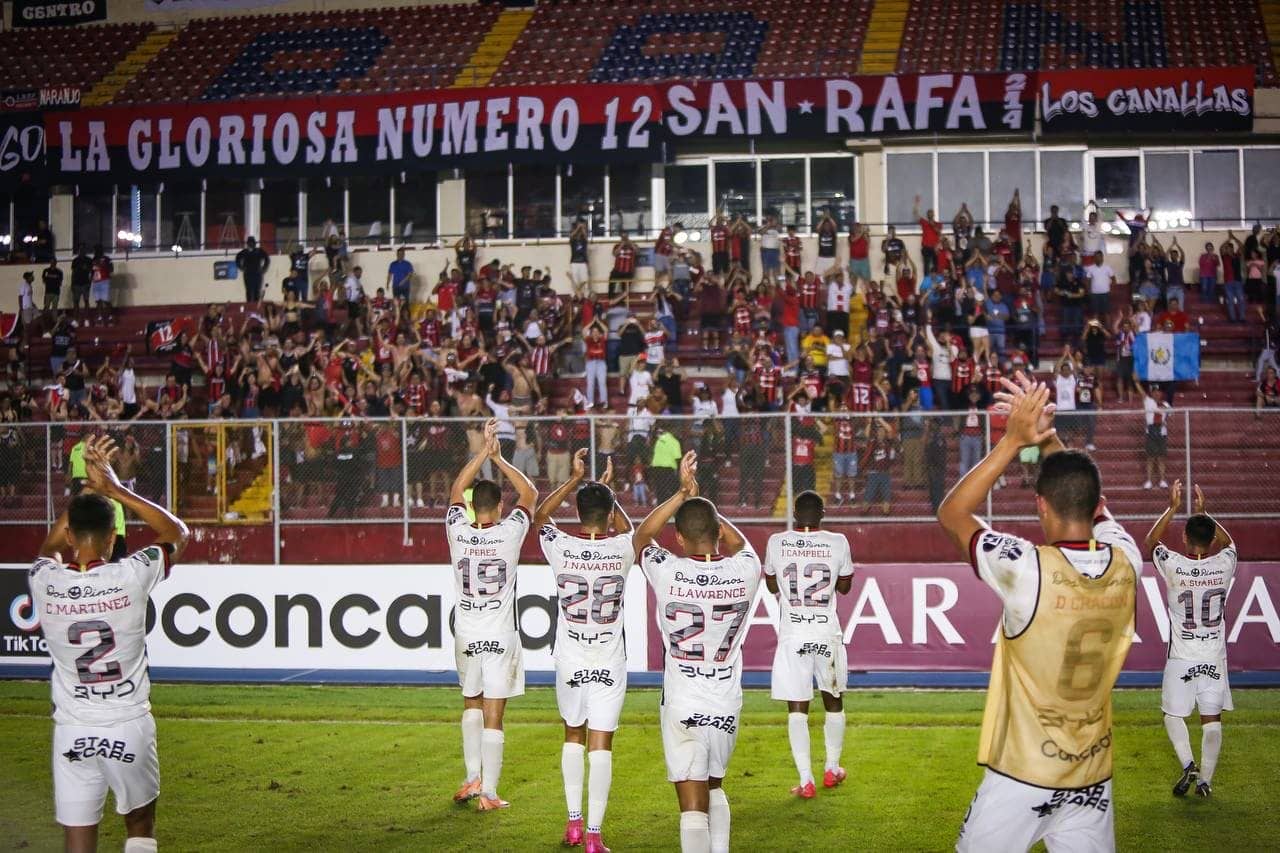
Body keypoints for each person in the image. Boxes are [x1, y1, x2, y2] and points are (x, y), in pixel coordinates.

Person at [939, 373, 1142, 853]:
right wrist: (1050, 439)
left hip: (1024, 773)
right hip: (1092, 775)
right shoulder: (1127, 558)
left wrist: (1015, 439)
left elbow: (952, 513)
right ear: (1096, 506)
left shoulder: (1026, 567)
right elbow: (1096, 509)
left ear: (1040, 507)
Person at [30, 434, 190, 853]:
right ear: (110, 540)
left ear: (70, 536)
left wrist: (84, 492)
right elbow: (177, 532)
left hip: (72, 729)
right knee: (140, 824)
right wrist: (114, 489)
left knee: (78, 838)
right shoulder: (130, 575)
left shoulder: (44, 582)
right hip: (127, 724)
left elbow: (47, 549)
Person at [634, 451, 760, 853]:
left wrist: (681, 494)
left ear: (680, 539)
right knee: (715, 784)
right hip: (725, 700)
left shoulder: (668, 570)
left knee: (691, 804)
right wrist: (707, 507)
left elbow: (640, 537)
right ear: (718, 532)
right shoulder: (746, 568)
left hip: (682, 700)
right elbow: (740, 544)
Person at [534, 450, 633, 853]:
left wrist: (574, 480)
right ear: (609, 514)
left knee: (573, 733)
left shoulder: (560, 545)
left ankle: (574, 824)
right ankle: (594, 834)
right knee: (602, 742)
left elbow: (539, 516)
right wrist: (610, 494)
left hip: (571, 655)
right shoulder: (623, 546)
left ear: (576, 512)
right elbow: (634, 532)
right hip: (609, 657)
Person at [446, 419, 539, 811]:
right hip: (500, 635)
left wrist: (482, 453)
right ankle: (489, 793)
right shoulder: (510, 532)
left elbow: (454, 489)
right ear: (500, 507)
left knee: (471, 702)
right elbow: (530, 492)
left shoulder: (457, 530)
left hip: (466, 632)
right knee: (494, 715)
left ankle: (471, 778)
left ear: (471, 507)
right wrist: (500, 459)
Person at [1144, 481, 1237, 799]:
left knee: (1173, 714)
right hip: (1213, 656)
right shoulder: (1224, 564)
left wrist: (1172, 507)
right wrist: (1205, 512)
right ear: (1211, 539)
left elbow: (1151, 540)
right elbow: (1230, 543)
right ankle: (1206, 782)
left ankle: (1188, 764)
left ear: (1184, 537)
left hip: (1181, 656)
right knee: (1211, 721)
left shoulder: (1173, 565)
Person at [763, 491, 853, 799]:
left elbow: (772, 583)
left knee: (797, 708)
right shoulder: (838, 541)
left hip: (793, 634)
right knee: (833, 699)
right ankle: (832, 768)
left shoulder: (777, 542)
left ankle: (806, 780)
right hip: (827, 632)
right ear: (823, 513)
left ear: (794, 513)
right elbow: (845, 586)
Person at [1141, 383, 1171, 490]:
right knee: (1150, 457)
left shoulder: (1166, 404)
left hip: (1161, 432)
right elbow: (1142, 394)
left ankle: (1162, 480)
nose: (1156, 393)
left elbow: (1167, 415)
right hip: (1151, 432)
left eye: (1158, 391)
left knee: (1161, 457)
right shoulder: (1148, 402)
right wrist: (1136, 382)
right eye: (1154, 391)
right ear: (1151, 393)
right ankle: (1149, 481)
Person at [234, 237, 269, 304]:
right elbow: (237, 259)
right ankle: (249, 305)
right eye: (250, 243)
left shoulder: (259, 251)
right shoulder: (244, 252)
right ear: (247, 244)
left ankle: (256, 305)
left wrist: (264, 268)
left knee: (257, 290)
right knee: (249, 290)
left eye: (252, 243)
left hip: (257, 273)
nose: (251, 244)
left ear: (255, 243)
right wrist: (241, 267)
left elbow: (266, 258)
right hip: (248, 274)